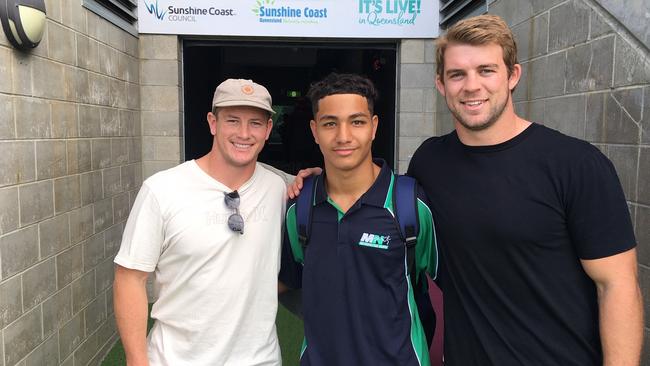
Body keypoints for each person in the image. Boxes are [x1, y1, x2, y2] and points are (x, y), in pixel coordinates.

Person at [406, 14, 643, 365]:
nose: (472, 86)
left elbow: (618, 286)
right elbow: (380, 203)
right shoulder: (429, 161)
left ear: (512, 75)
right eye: (458, 74)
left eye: (486, 70)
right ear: (441, 84)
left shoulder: (576, 165)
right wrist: (311, 181)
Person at [113, 79, 287, 365]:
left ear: (268, 129)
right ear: (212, 123)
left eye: (255, 123)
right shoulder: (162, 190)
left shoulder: (281, 188)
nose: (244, 133)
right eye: (232, 120)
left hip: (260, 359)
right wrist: (136, 360)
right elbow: (130, 278)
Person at [279, 73, 439, 365]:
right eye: (330, 123)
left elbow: (457, 287)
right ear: (314, 131)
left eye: (357, 121)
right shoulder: (300, 207)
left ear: (374, 126)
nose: (343, 136)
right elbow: (286, 280)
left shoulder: (409, 204)